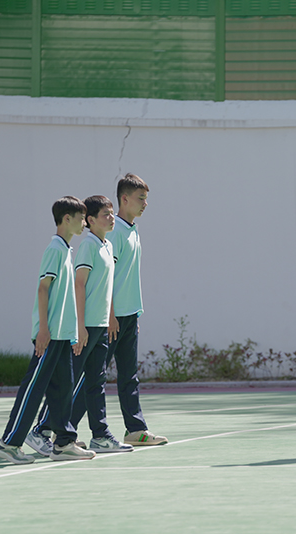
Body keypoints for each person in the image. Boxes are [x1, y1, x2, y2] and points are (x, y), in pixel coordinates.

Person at [0, 196, 96, 464]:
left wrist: (71, 332)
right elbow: (43, 288)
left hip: (62, 336)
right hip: (49, 336)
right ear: (67, 219)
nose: (84, 223)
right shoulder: (55, 249)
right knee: (34, 389)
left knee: (63, 390)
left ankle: (64, 444)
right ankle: (9, 443)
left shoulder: (66, 250)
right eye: (81, 218)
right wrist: (44, 330)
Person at [25, 195, 134, 455]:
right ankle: (41, 430)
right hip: (86, 327)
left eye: (112, 213)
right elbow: (79, 285)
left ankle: (101, 436)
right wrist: (80, 326)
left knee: (96, 382)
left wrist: (110, 316)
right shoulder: (87, 246)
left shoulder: (108, 246)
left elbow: (106, 286)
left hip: (101, 326)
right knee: (68, 383)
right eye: (105, 214)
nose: (111, 218)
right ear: (91, 220)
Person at [107, 173, 167, 446]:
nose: (145, 204)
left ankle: (135, 430)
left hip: (130, 316)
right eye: (141, 198)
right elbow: (107, 277)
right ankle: (56, 431)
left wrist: (134, 314)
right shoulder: (115, 232)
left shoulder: (133, 230)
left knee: (129, 377)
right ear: (124, 199)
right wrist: (110, 315)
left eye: (146, 199)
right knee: (91, 377)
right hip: (112, 318)